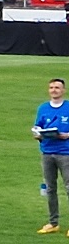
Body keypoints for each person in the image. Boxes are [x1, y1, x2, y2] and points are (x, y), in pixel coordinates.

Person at [32, 77, 69, 233]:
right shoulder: (43, 108)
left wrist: (67, 135)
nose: (54, 90)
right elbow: (37, 126)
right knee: (50, 188)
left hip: (65, 153)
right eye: (52, 87)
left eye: (57, 88)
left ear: (63, 90)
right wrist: (36, 133)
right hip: (47, 152)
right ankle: (53, 223)